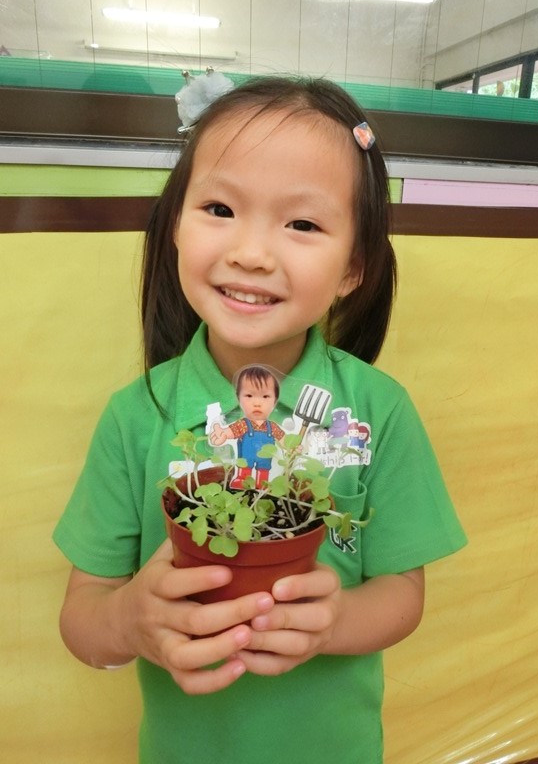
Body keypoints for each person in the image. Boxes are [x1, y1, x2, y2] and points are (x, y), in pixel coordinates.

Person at [53, 75, 467, 764]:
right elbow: (83, 618)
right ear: (175, 224)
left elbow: (402, 593)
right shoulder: (135, 416)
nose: (251, 253)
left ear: (354, 267)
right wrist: (128, 621)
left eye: (302, 224)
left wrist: (335, 620)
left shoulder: (378, 411)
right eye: (219, 208)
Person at [209, 364, 285, 489]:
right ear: (238, 398)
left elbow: (284, 440)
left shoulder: (272, 427)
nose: (257, 403)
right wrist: (222, 435)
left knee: (264, 468)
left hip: (265, 458)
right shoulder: (243, 425)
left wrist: (293, 447)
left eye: (265, 396)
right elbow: (230, 432)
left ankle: (262, 484)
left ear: (275, 401)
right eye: (249, 396)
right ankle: (242, 480)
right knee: (245, 465)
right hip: (246, 457)